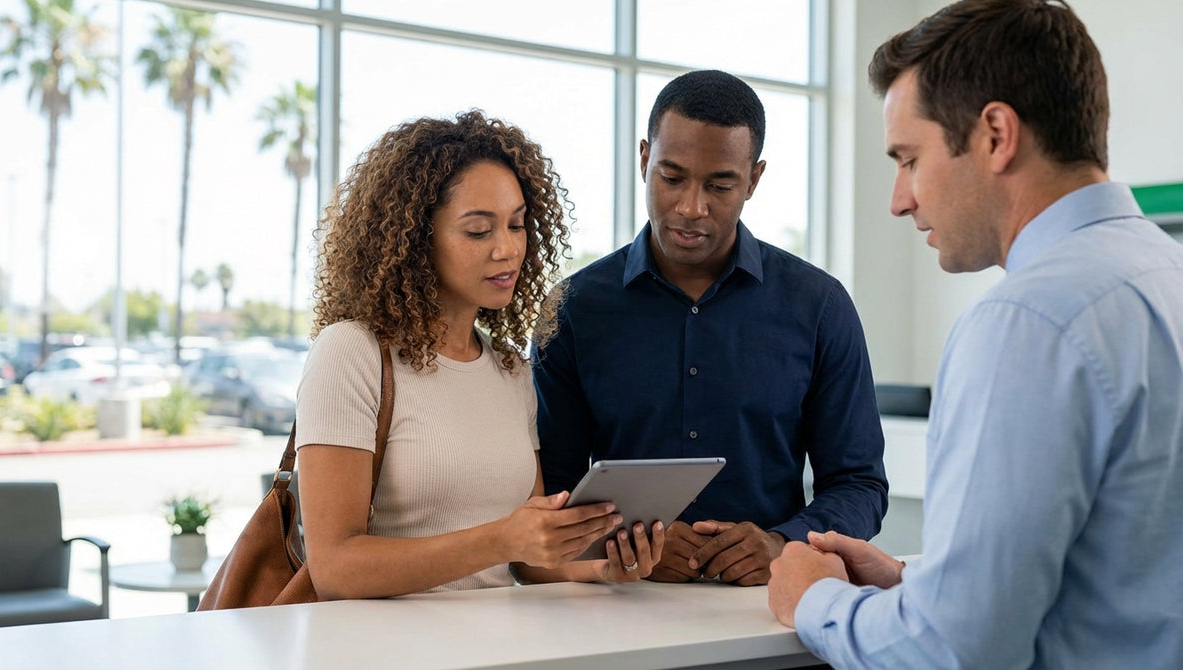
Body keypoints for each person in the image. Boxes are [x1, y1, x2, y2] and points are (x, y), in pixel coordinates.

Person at [768, 1, 1183, 667]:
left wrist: (813, 598)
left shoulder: (1027, 322)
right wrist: (917, 586)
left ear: (995, 134)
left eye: (908, 158)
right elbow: (1126, 580)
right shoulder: (1164, 275)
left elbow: (954, 651)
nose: (898, 199)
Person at [533, 70, 888, 587]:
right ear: (642, 160)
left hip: (771, 613)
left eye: (720, 185)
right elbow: (554, 495)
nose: (690, 208)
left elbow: (859, 484)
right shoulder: (572, 308)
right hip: (616, 614)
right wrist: (623, 541)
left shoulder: (820, 305)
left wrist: (782, 542)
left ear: (754, 179)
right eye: (671, 177)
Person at [295, 110, 665, 599]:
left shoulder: (510, 369)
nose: (507, 249)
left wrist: (602, 570)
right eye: (478, 231)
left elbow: (526, 561)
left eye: (516, 225)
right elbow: (336, 569)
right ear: (413, 238)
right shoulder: (352, 352)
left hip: (497, 649)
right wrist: (498, 538)